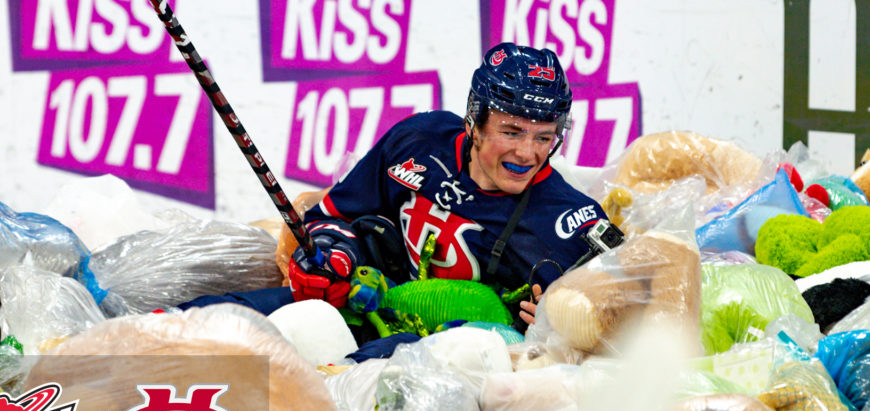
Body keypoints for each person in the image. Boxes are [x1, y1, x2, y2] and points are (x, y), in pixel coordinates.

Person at [183, 42, 611, 334]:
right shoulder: (420, 140)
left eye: (544, 137)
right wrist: (335, 255)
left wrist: (561, 328)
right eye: (512, 132)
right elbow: (333, 216)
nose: (527, 153)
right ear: (474, 121)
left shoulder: (571, 221)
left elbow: (622, 310)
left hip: (444, 358)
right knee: (204, 320)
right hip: (362, 304)